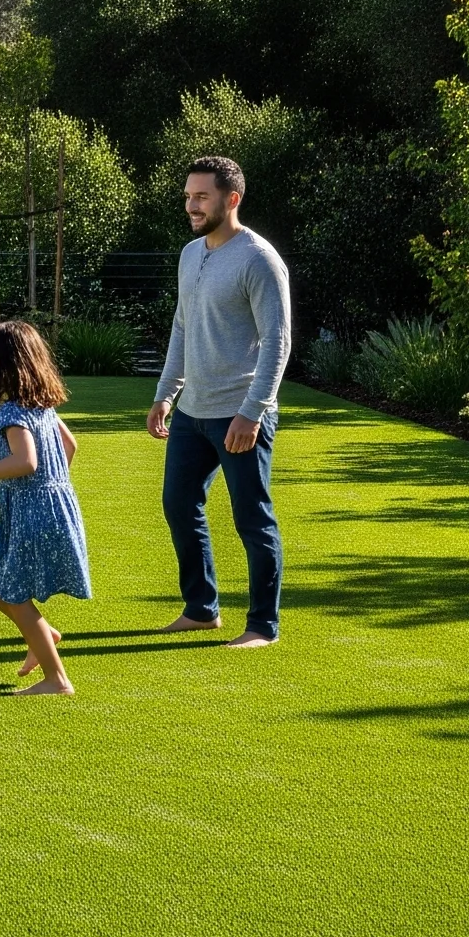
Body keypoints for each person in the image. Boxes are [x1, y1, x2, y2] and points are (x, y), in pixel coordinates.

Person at [147, 154, 291, 647]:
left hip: (239, 413)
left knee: (251, 518)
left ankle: (262, 626)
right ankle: (201, 609)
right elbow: (182, 327)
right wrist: (166, 394)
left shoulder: (258, 259)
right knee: (178, 504)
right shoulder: (191, 254)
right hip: (192, 412)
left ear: (232, 199)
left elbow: (277, 342)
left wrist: (252, 412)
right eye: (188, 196)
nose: (191, 205)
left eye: (201, 197)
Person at [0, 319, 90, 697]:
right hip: (51, 509)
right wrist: (51, 490)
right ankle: (41, 635)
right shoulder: (42, 405)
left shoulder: (11, 412)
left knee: (15, 595)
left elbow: (25, 462)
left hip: (31, 516)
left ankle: (56, 680)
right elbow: (70, 446)